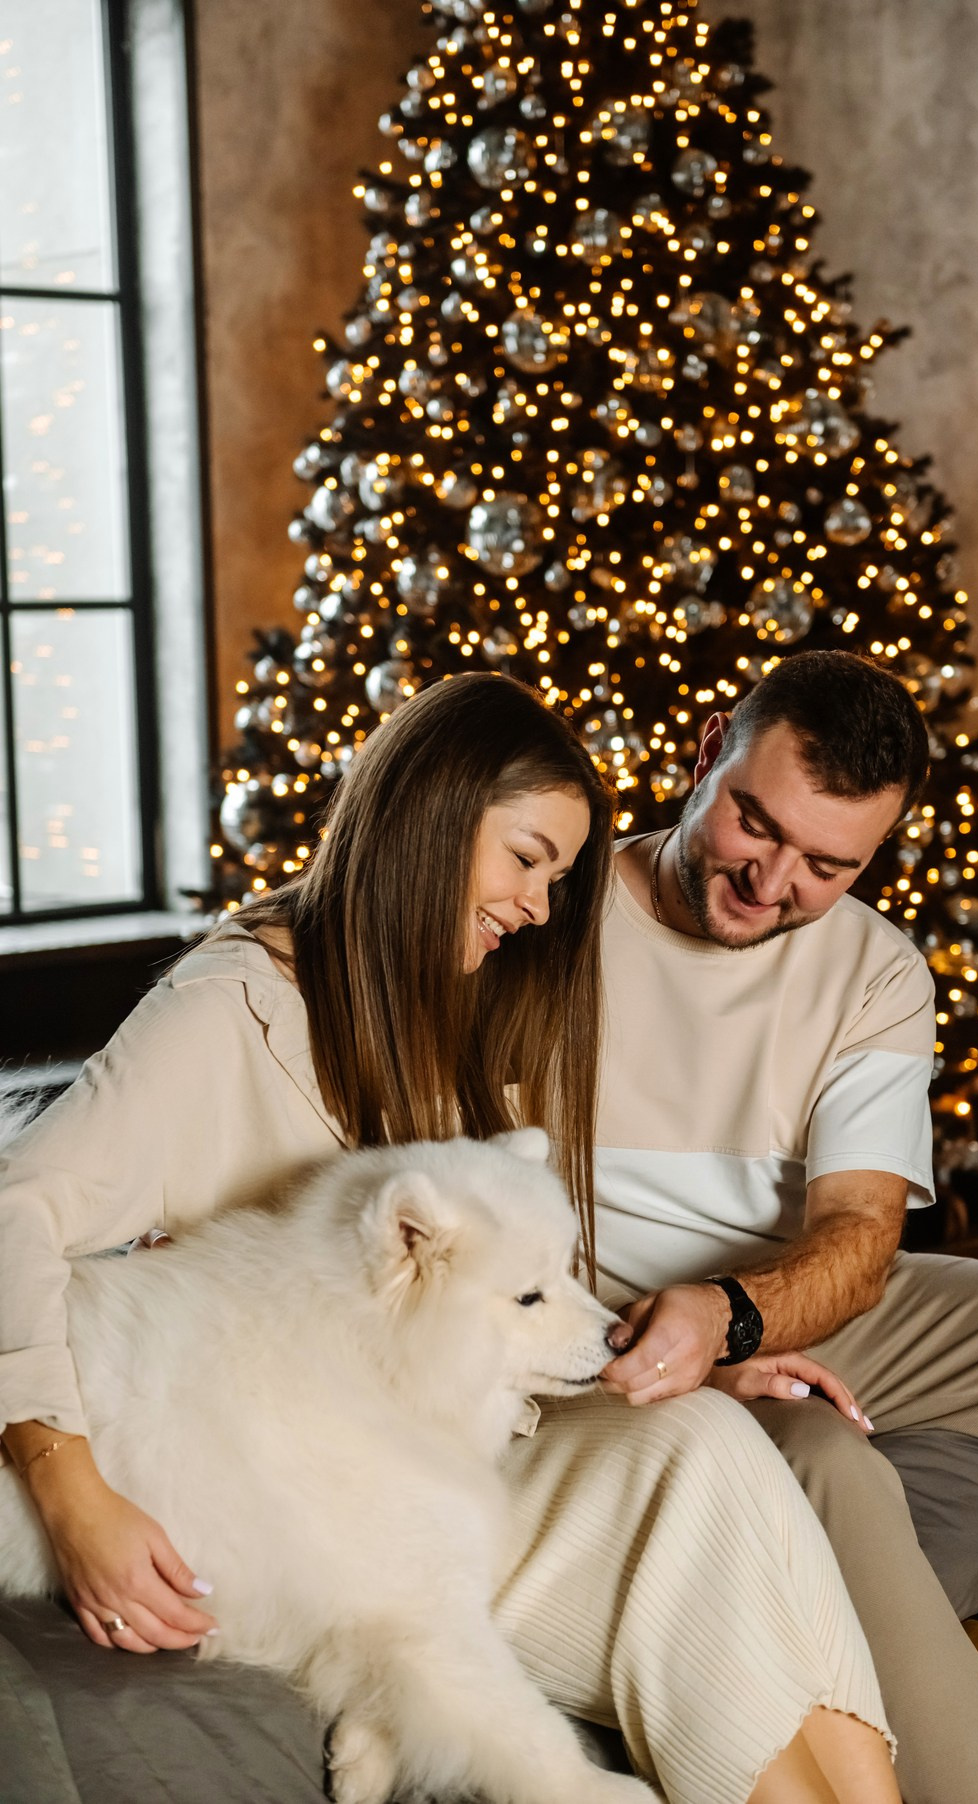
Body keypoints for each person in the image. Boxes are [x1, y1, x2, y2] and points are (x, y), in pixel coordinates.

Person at [0, 672, 900, 1804]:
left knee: (712, 1437)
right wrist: (73, 1491)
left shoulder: (444, 997)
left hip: (443, 1448)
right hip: (337, 1496)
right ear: (431, 815)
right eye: (526, 859)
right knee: (703, 1517)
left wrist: (680, 1348)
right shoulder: (228, 1008)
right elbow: (15, 1213)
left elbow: (489, 1285)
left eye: (559, 878)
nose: (540, 907)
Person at [594, 647, 978, 1804]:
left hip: (776, 1298)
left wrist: (731, 1316)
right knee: (831, 1465)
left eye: (827, 864)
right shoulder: (548, 914)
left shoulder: (873, 968)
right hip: (623, 1330)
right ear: (710, 749)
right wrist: (693, 1347)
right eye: (754, 823)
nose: (772, 881)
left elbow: (859, 1234)